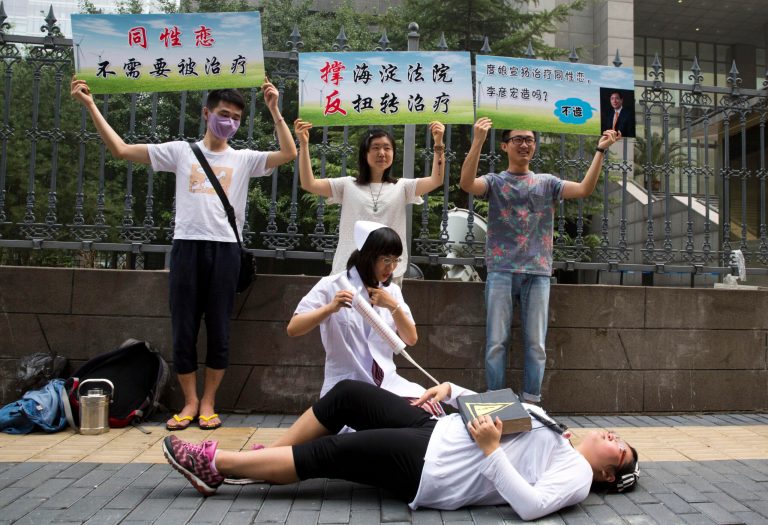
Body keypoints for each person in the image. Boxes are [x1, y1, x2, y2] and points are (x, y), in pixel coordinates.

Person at [70, 77, 297, 431]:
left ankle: (209, 402)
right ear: (206, 113)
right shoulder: (180, 151)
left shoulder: (245, 159)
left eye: (237, 118)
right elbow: (121, 150)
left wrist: (273, 108)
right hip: (187, 248)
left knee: (220, 329)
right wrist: (90, 105)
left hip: (225, 252)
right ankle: (190, 402)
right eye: (224, 114)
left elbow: (289, 153)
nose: (230, 123)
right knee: (184, 329)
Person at [163, 379, 640, 521]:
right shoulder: (557, 431)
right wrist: (453, 392)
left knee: (334, 452)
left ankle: (218, 466)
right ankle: (264, 460)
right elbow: (498, 410)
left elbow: (532, 507)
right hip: (439, 430)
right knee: (350, 394)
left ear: (604, 477)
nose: (616, 442)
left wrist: (493, 452)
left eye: (621, 456)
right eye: (622, 439)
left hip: (433, 466)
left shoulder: (576, 477)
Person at [460, 119, 621, 402]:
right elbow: (466, 183)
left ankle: (532, 403)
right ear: (505, 145)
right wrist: (477, 141)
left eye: (530, 140)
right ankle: (497, 403)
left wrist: (600, 151)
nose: (524, 144)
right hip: (501, 270)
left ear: (534, 146)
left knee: (536, 345)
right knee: (496, 343)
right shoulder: (495, 181)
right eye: (518, 139)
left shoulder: (547, 183)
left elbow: (584, 189)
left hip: (538, 272)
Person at [286, 220, 437, 409]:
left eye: (396, 260)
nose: (391, 268)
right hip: (346, 386)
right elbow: (293, 328)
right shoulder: (332, 285)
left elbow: (411, 339)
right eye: (386, 260)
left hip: (386, 383)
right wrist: (329, 308)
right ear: (368, 257)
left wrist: (392, 305)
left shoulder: (392, 292)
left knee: (430, 408)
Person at [294, 119, 446, 286]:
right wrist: (304, 143)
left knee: (384, 312)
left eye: (387, 148)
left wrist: (438, 143)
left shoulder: (403, 187)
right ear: (364, 154)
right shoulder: (347, 185)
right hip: (350, 270)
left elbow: (436, 180)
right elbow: (309, 183)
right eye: (375, 148)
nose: (382, 153)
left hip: (388, 272)